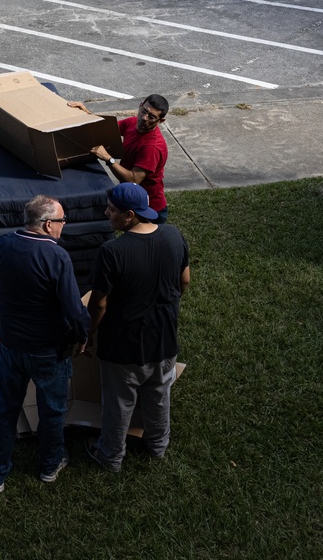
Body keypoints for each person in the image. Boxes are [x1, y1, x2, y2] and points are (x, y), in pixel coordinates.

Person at [0, 195, 90, 491]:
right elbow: (73, 309)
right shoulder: (57, 257)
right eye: (61, 221)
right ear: (46, 225)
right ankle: (49, 466)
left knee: (6, 409)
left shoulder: (3, 244)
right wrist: (83, 335)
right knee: (52, 411)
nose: (63, 226)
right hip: (49, 352)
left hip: (13, 345)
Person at [83, 182, 190, 472]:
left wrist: (88, 335)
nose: (107, 213)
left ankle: (110, 455)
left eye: (112, 209)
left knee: (119, 403)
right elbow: (185, 281)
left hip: (123, 346)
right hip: (165, 340)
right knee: (158, 393)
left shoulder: (112, 251)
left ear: (130, 215)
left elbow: (100, 304)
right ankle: (158, 445)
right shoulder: (173, 235)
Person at [67, 95, 170, 223]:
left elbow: (133, 179)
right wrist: (86, 112)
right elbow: (106, 129)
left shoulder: (152, 147)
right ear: (140, 105)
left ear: (161, 121)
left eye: (152, 117)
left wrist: (108, 159)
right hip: (132, 201)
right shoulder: (132, 123)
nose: (144, 118)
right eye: (144, 111)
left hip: (148, 209)